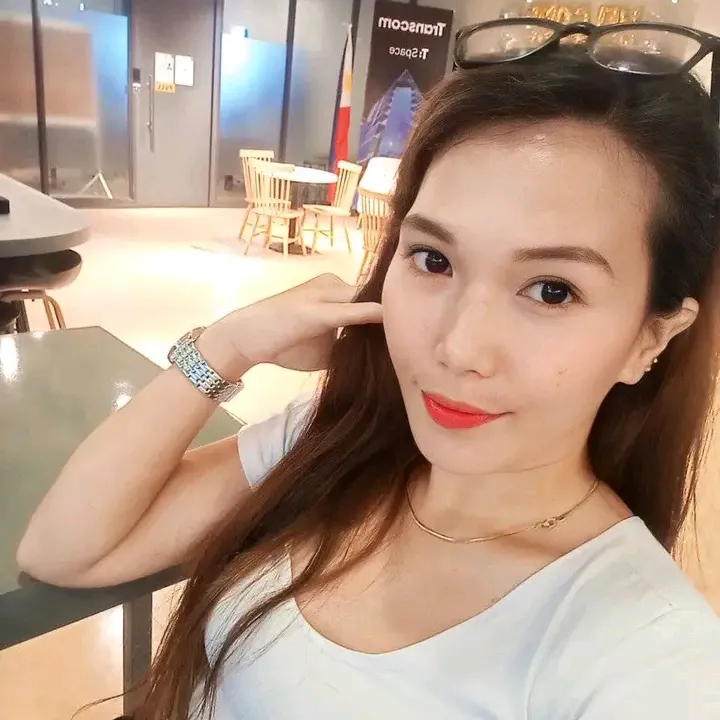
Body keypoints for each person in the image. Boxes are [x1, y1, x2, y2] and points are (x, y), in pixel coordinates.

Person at [16, 20, 720, 720]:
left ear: (650, 337)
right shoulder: (334, 444)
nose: (458, 348)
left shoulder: (647, 653)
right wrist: (227, 346)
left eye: (552, 291)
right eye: (433, 260)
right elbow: (65, 550)